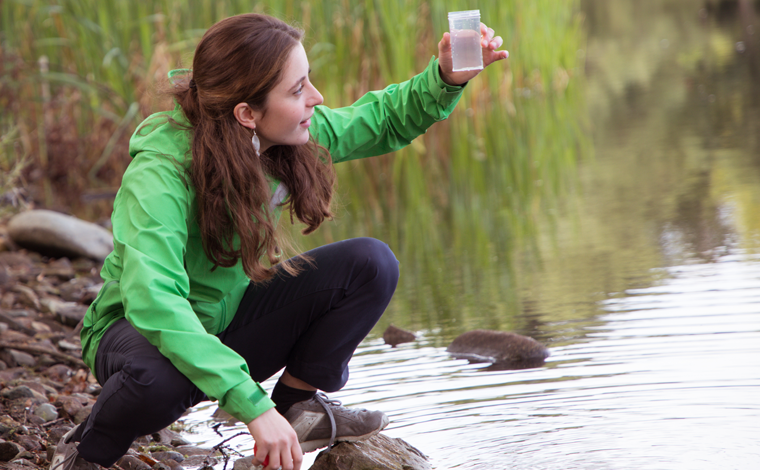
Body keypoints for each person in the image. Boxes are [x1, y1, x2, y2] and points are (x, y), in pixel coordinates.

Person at [50, 12, 508, 470]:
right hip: (136, 331)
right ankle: (88, 452)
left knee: (370, 263)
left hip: (225, 320)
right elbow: (154, 301)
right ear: (246, 113)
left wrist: (445, 78)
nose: (316, 98)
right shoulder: (159, 173)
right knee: (158, 381)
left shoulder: (278, 137)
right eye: (297, 90)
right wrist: (253, 407)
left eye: (308, 82)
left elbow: (379, 121)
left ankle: (299, 406)